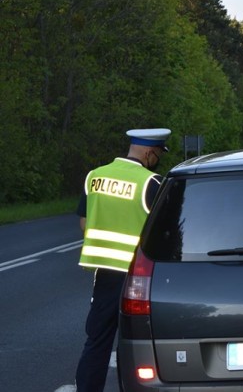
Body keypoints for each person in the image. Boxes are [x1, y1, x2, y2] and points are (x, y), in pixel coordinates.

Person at [74, 128, 171, 392]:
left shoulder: (94, 177)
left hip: (104, 275)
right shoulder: (152, 183)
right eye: (159, 154)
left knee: (97, 342)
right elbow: (166, 232)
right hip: (139, 277)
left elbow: (84, 224)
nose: (157, 160)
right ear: (150, 152)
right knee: (136, 343)